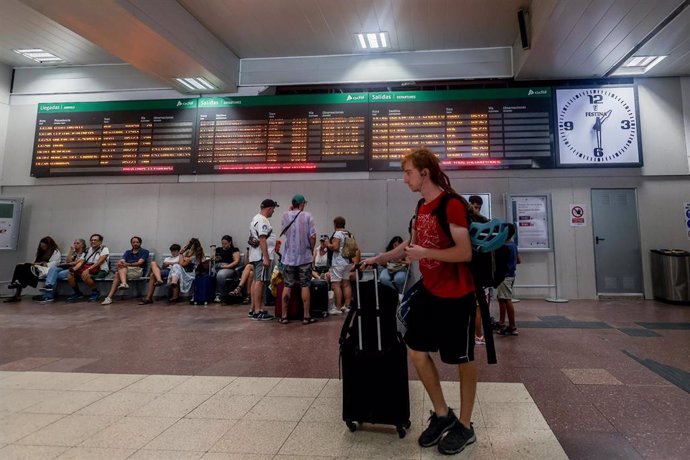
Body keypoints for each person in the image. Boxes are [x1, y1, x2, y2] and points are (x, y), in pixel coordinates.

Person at [362, 148, 478, 455]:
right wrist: (379, 258)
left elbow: (463, 252)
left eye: (408, 173)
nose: (404, 179)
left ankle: (465, 427)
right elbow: (409, 245)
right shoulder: (421, 205)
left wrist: (426, 254)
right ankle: (443, 414)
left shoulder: (450, 205)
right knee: (415, 350)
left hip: (457, 296)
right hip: (431, 291)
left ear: (425, 173)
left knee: (463, 360)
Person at [278, 194, 317, 325]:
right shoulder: (308, 216)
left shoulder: (285, 215)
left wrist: (290, 210)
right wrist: (311, 250)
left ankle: (284, 316)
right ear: (302, 204)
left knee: (287, 285)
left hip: (288, 258)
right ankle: (306, 317)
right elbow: (312, 236)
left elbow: (284, 230)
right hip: (304, 257)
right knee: (305, 285)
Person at [5, 236, 61, 303]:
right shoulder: (40, 252)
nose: (43, 248)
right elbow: (34, 262)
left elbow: (55, 264)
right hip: (36, 268)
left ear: (49, 246)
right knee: (19, 266)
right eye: (41, 246)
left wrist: (42, 264)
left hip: (45, 270)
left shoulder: (55, 252)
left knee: (25, 268)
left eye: (44, 247)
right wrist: (31, 264)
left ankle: (17, 287)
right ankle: (16, 286)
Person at [248, 198, 279, 321]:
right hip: (261, 256)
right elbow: (262, 239)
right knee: (260, 282)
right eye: (273, 209)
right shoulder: (263, 220)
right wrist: (266, 257)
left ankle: (253, 309)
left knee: (256, 281)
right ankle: (258, 311)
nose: (273, 212)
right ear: (269, 208)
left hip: (256, 255)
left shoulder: (255, 218)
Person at [102, 236, 150, 305]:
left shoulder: (145, 252)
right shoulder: (128, 252)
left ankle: (110, 297)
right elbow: (122, 261)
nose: (135, 244)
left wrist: (126, 264)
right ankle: (112, 295)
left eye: (137, 242)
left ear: (140, 243)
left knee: (118, 272)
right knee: (119, 271)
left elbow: (139, 263)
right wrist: (120, 263)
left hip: (138, 271)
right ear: (131, 243)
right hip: (126, 271)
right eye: (133, 242)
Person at [38, 238, 86, 303]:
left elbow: (79, 263)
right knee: (53, 269)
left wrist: (72, 263)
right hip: (66, 267)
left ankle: (48, 296)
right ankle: (48, 287)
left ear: (82, 245)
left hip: (74, 270)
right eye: (74, 243)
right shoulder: (74, 253)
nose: (75, 244)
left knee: (53, 275)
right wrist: (71, 251)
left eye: (77, 243)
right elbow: (68, 261)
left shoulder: (85, 253)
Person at [65, 234, 110, 303]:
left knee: (85, 275)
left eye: (95, 240)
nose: (93, 241)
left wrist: (88, 270)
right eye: (91, 240)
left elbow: (100, 261)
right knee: (70, 275)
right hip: (88, 267)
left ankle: (95, 292)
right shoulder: (88, 249)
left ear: (100, 242)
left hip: (101, 269)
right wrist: (74, 269)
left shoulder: (104, 249)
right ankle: (78, 293)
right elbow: (81, 261)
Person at [496, 223, 520, 336]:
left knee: (506, 299)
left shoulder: (504, 246)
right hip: (511, 275)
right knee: (502, 299)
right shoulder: (513, 245)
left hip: (504, 276)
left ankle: (512, 326)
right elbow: (519, 260)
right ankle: (501, 322)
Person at [327, 216, 353, 314]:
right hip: (347, 262)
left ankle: (337, 308)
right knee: (346, 284)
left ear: (335, 224)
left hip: (338, 262)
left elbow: (335, 247)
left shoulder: (337, 233)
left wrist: (327, 244)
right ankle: (346, 306)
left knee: (336, 285)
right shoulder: (348, 234)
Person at [167, 238, 203, 303]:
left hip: (190, 273)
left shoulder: (194, 255)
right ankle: (174, 283)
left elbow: (181, 264)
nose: (186, 245)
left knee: (176, 267)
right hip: (185, 271)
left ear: (191, 246)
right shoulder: (189, 253)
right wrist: (183, 257)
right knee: (176, 269)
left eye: (187, 244)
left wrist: (181, 253)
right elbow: (182, 262)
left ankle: (174, 284)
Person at [213, 235, 241, 303]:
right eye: (222, 243)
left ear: (230, 243)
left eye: (225, 243)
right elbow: (214, 258)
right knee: (211, 274)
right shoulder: (218, 249)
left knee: (220, 275)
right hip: (217, 266)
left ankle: (220, 294)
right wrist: (215, 258)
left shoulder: (234, 250)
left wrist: (227, 266)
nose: (223, 245)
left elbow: (236, 261)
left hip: (228, 267)